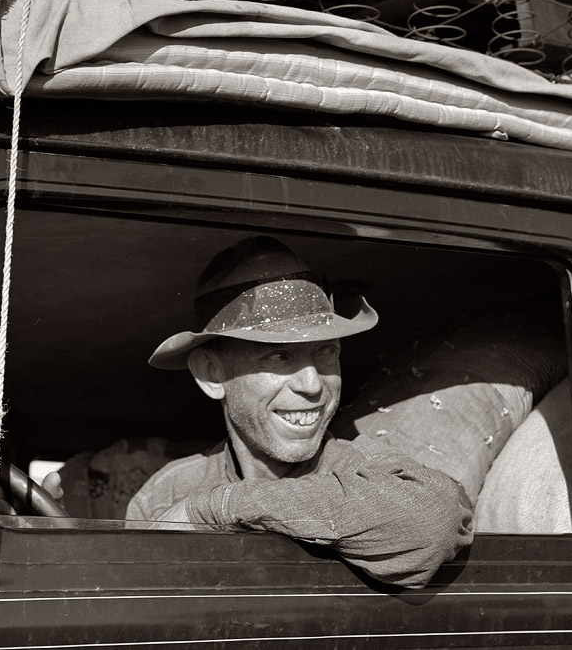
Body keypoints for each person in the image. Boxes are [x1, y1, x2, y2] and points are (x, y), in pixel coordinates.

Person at [123, 234, 473, 589]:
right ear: (213, 374)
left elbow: (433, 520)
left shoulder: (364, 467)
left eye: (326, 352)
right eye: (278, 355)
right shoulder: (165, 492)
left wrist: (217, 508)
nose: (313, 384)